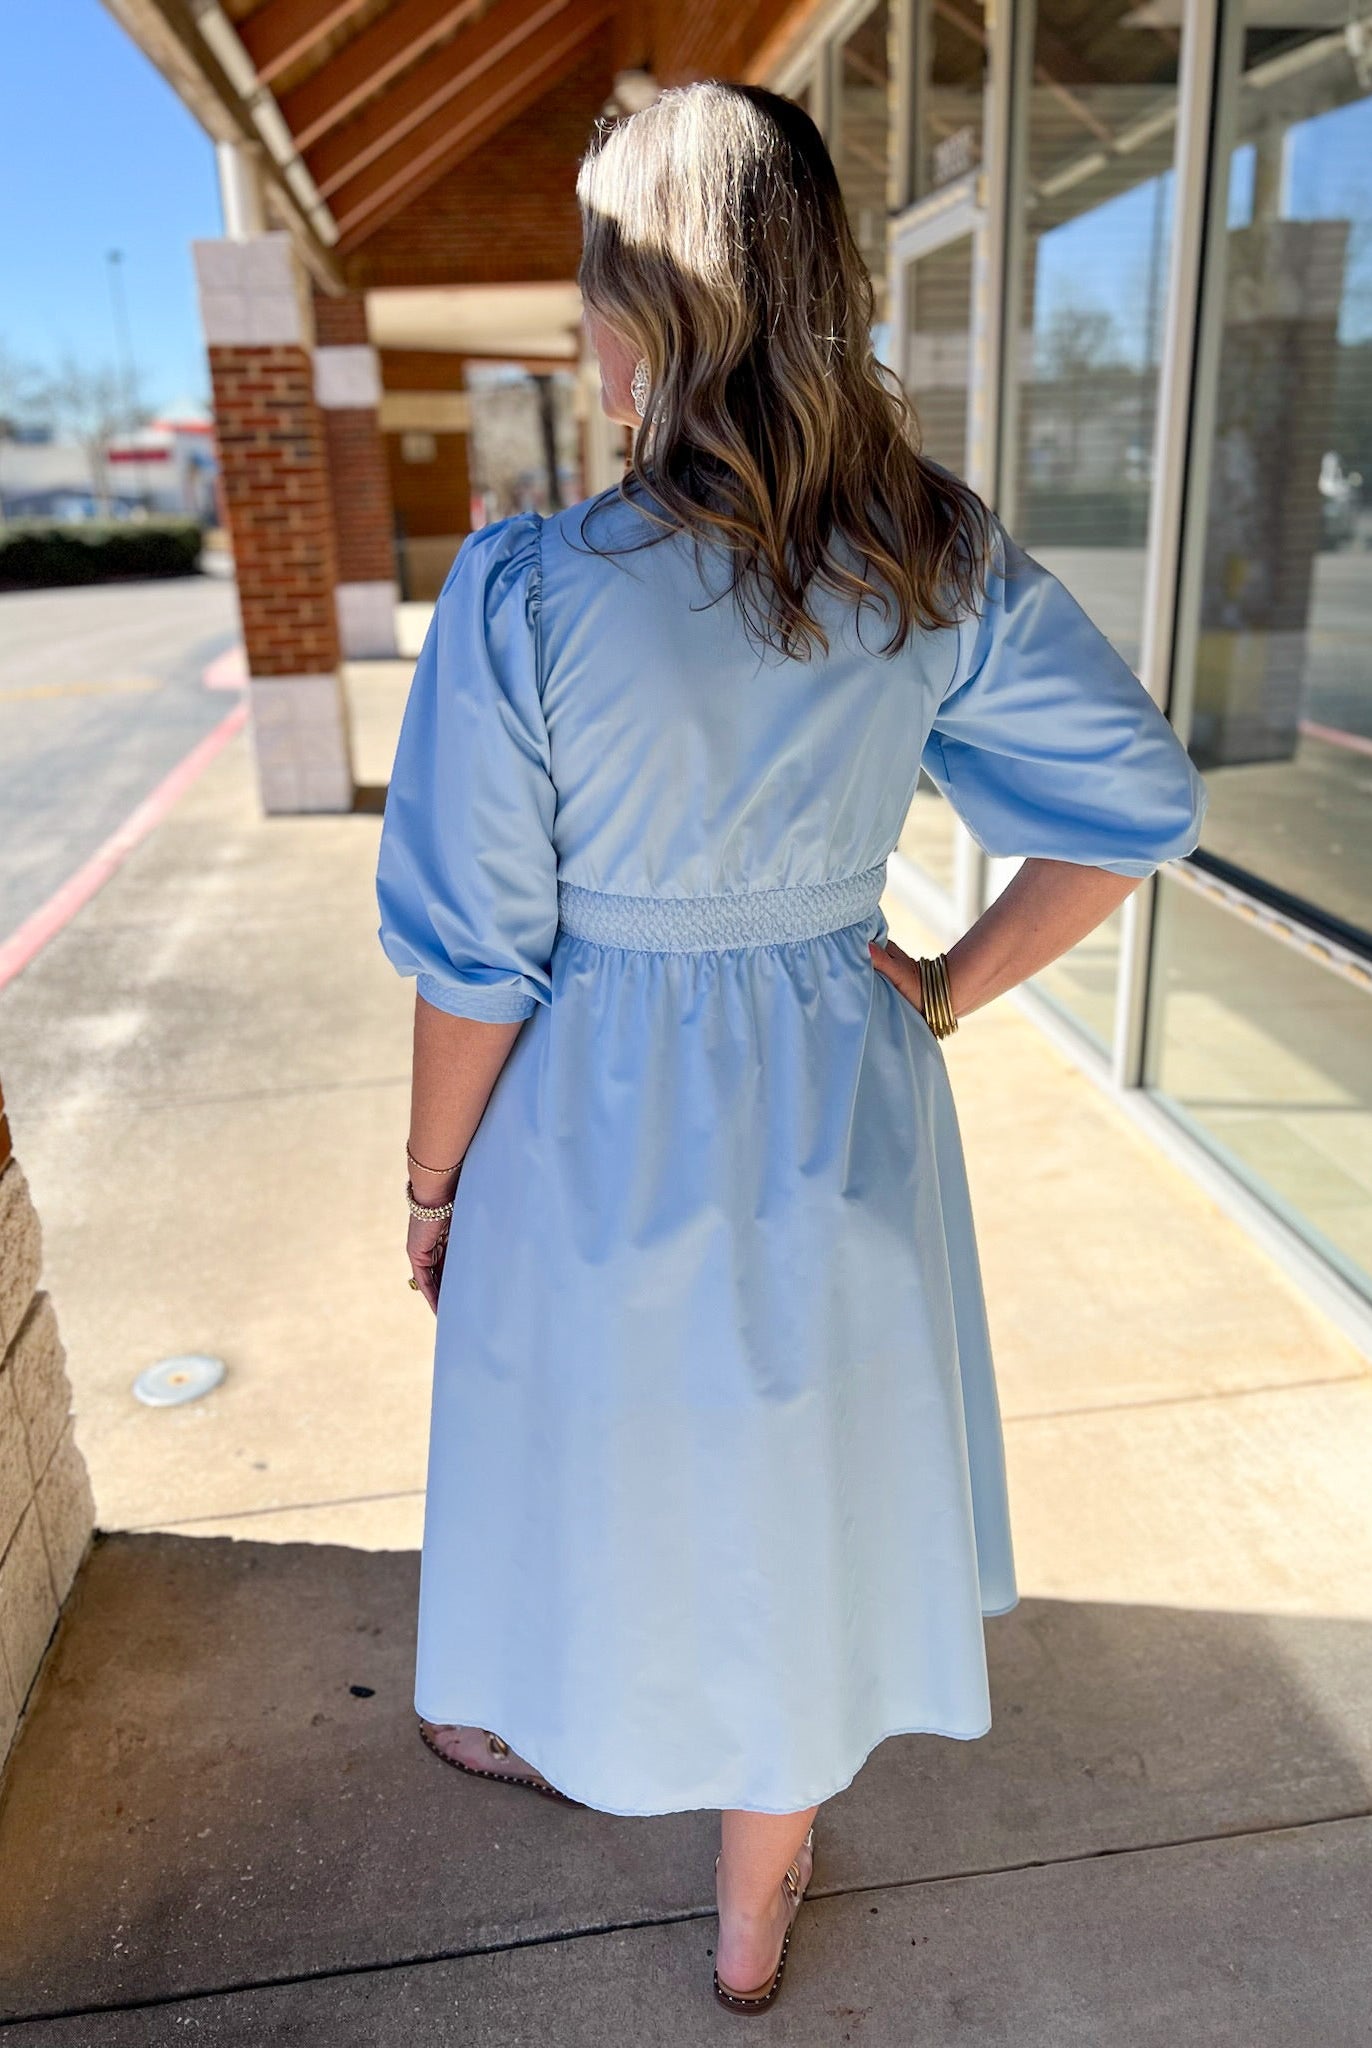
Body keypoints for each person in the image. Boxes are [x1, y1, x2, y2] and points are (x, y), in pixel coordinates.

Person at [375, 80, 1207, 2015]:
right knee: (797, 1475)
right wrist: (948, 983)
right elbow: (1137, 806)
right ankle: (753, 1905)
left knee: (580, 1434)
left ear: (644, 313)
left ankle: (533, 1710)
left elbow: (477, 957)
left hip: (595, 1099)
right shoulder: (928, 554)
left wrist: (430, 1184)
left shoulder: (527, 591)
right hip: (840, 1084)